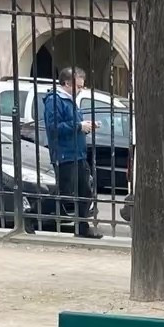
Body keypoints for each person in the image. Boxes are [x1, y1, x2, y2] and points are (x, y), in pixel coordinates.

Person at [43, 67, 101, 239]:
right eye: (79, 86)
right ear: (67, 84)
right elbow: (53, 128)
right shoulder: (55, 100)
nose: (81, 90)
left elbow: (72, 124)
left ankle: (82, 228)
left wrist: (86, 126)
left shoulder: (69, 100)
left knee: (85, 192)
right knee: (64, 193)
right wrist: (79, 126)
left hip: (78, 153)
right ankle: (30, 216)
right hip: (65, 154)